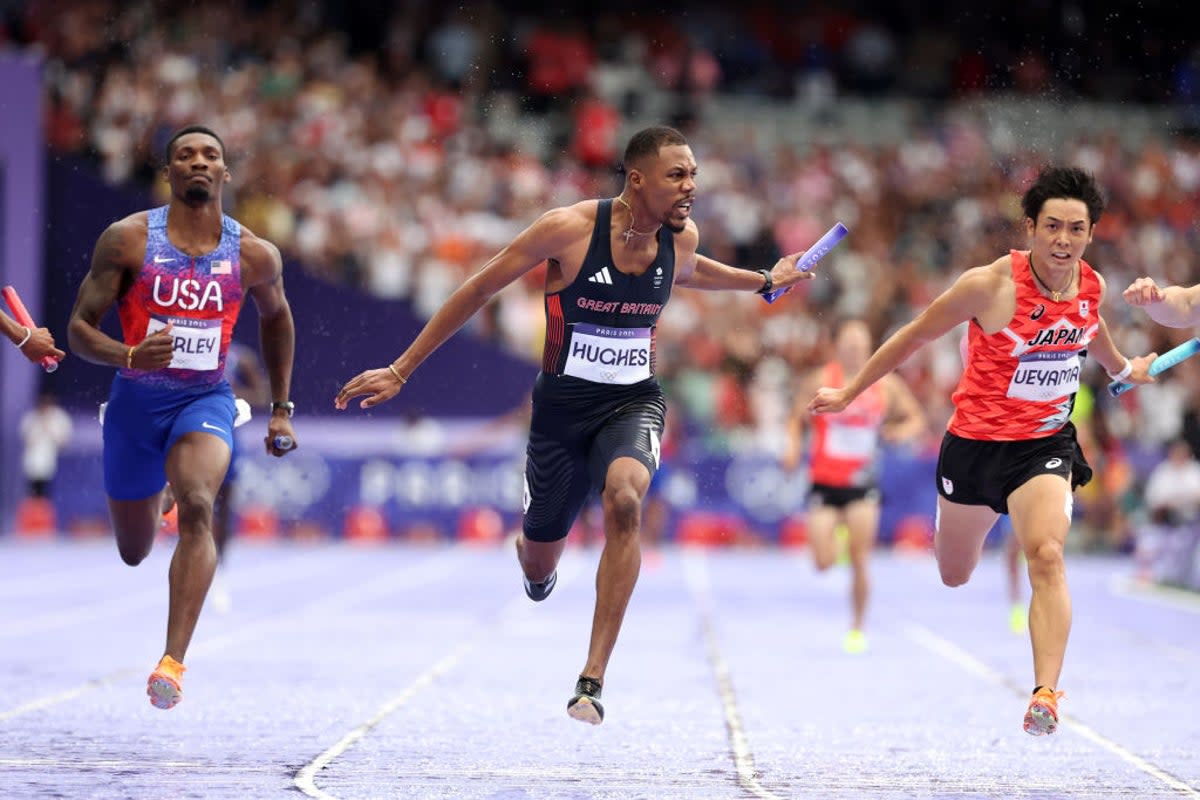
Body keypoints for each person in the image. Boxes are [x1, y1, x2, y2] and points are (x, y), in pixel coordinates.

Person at [335, 125, 817, 725]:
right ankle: (535, 557)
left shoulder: (680, 236)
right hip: (560, 416)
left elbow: (697, 269)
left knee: (624, 500)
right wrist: (403, 369)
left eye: (693, 173)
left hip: (633, 404)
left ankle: (591, 679)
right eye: (677, 175)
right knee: (540, 557)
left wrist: (766, 280)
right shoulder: (568, 229)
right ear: (637, 179)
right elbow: (480, 287)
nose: (691, 186)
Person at [809, 166, 1156, 736]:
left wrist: (1125, 370)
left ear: (1091, 233)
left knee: (1045, 554)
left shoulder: (1089, 284)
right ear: (1030, 228)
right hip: (973, 450)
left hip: (1042, 446)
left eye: (1076, 229)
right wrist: (851, 391)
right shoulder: (990, 286)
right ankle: (973, 526)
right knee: (953, 574)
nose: (1064, 241)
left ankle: (1045, 693)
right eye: (1053, 227)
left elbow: (1095, 338)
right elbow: (916, 333)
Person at [66, 125, 297, 710]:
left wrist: (280, 410)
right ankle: (157, 492)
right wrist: (127, 354)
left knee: (200, 504)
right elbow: (77, 329)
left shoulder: (253, 254)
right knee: (134, 550)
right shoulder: (127, 242)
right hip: (135, 405)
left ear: (224, 174)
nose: (198, 162)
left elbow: (278, 320)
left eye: (210, 156)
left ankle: (172, 662)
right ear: (169, 174)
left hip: (206, 399)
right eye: (185, 156)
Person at [782, 319, 925, 655]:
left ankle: (858, 627)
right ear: (837, 347)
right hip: (824, 481)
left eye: (860, 346)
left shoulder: (884, 386)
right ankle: (838, 541)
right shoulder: (820, 380)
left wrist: (899, 433)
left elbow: (915, 418)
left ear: (869, 349)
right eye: (848, 345)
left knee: (861, 559)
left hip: (862, 483)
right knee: (822, 562)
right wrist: (791, 446)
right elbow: (794, 418)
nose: (854, 351)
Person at [209, 341, 271, 612]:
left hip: (227, 435)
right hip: (192, 431)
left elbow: (262, 395)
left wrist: (233, 392)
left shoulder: (239, 356)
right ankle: (194, 565)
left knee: (224, 508)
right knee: (195, 506)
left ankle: (219, 571)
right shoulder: (187, 343)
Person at [19, 392, 73, 499]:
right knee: (33, 493)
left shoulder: (59, 418)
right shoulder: (31, 418)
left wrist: (49, 430)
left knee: (49, 494)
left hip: (54, 464)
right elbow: (27, 440)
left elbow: (64, 441)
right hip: (33, 464)